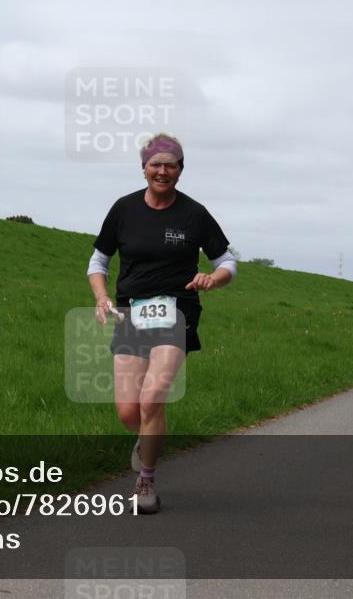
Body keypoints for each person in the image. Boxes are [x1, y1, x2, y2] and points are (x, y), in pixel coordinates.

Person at [87, 133, 236, 514]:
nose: (163, 171)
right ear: (144, 168)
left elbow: (228, 262)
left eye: (171, 165)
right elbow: (98, 262)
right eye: (156, 164)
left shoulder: (194, 214)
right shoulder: (123, 209)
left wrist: (212, 278)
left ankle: (146, 480)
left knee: (153, 398)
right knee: (128, 411)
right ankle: (146, 436)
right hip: (133, 313)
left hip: (177, 312)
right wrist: (102, 297)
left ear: (181, 170)